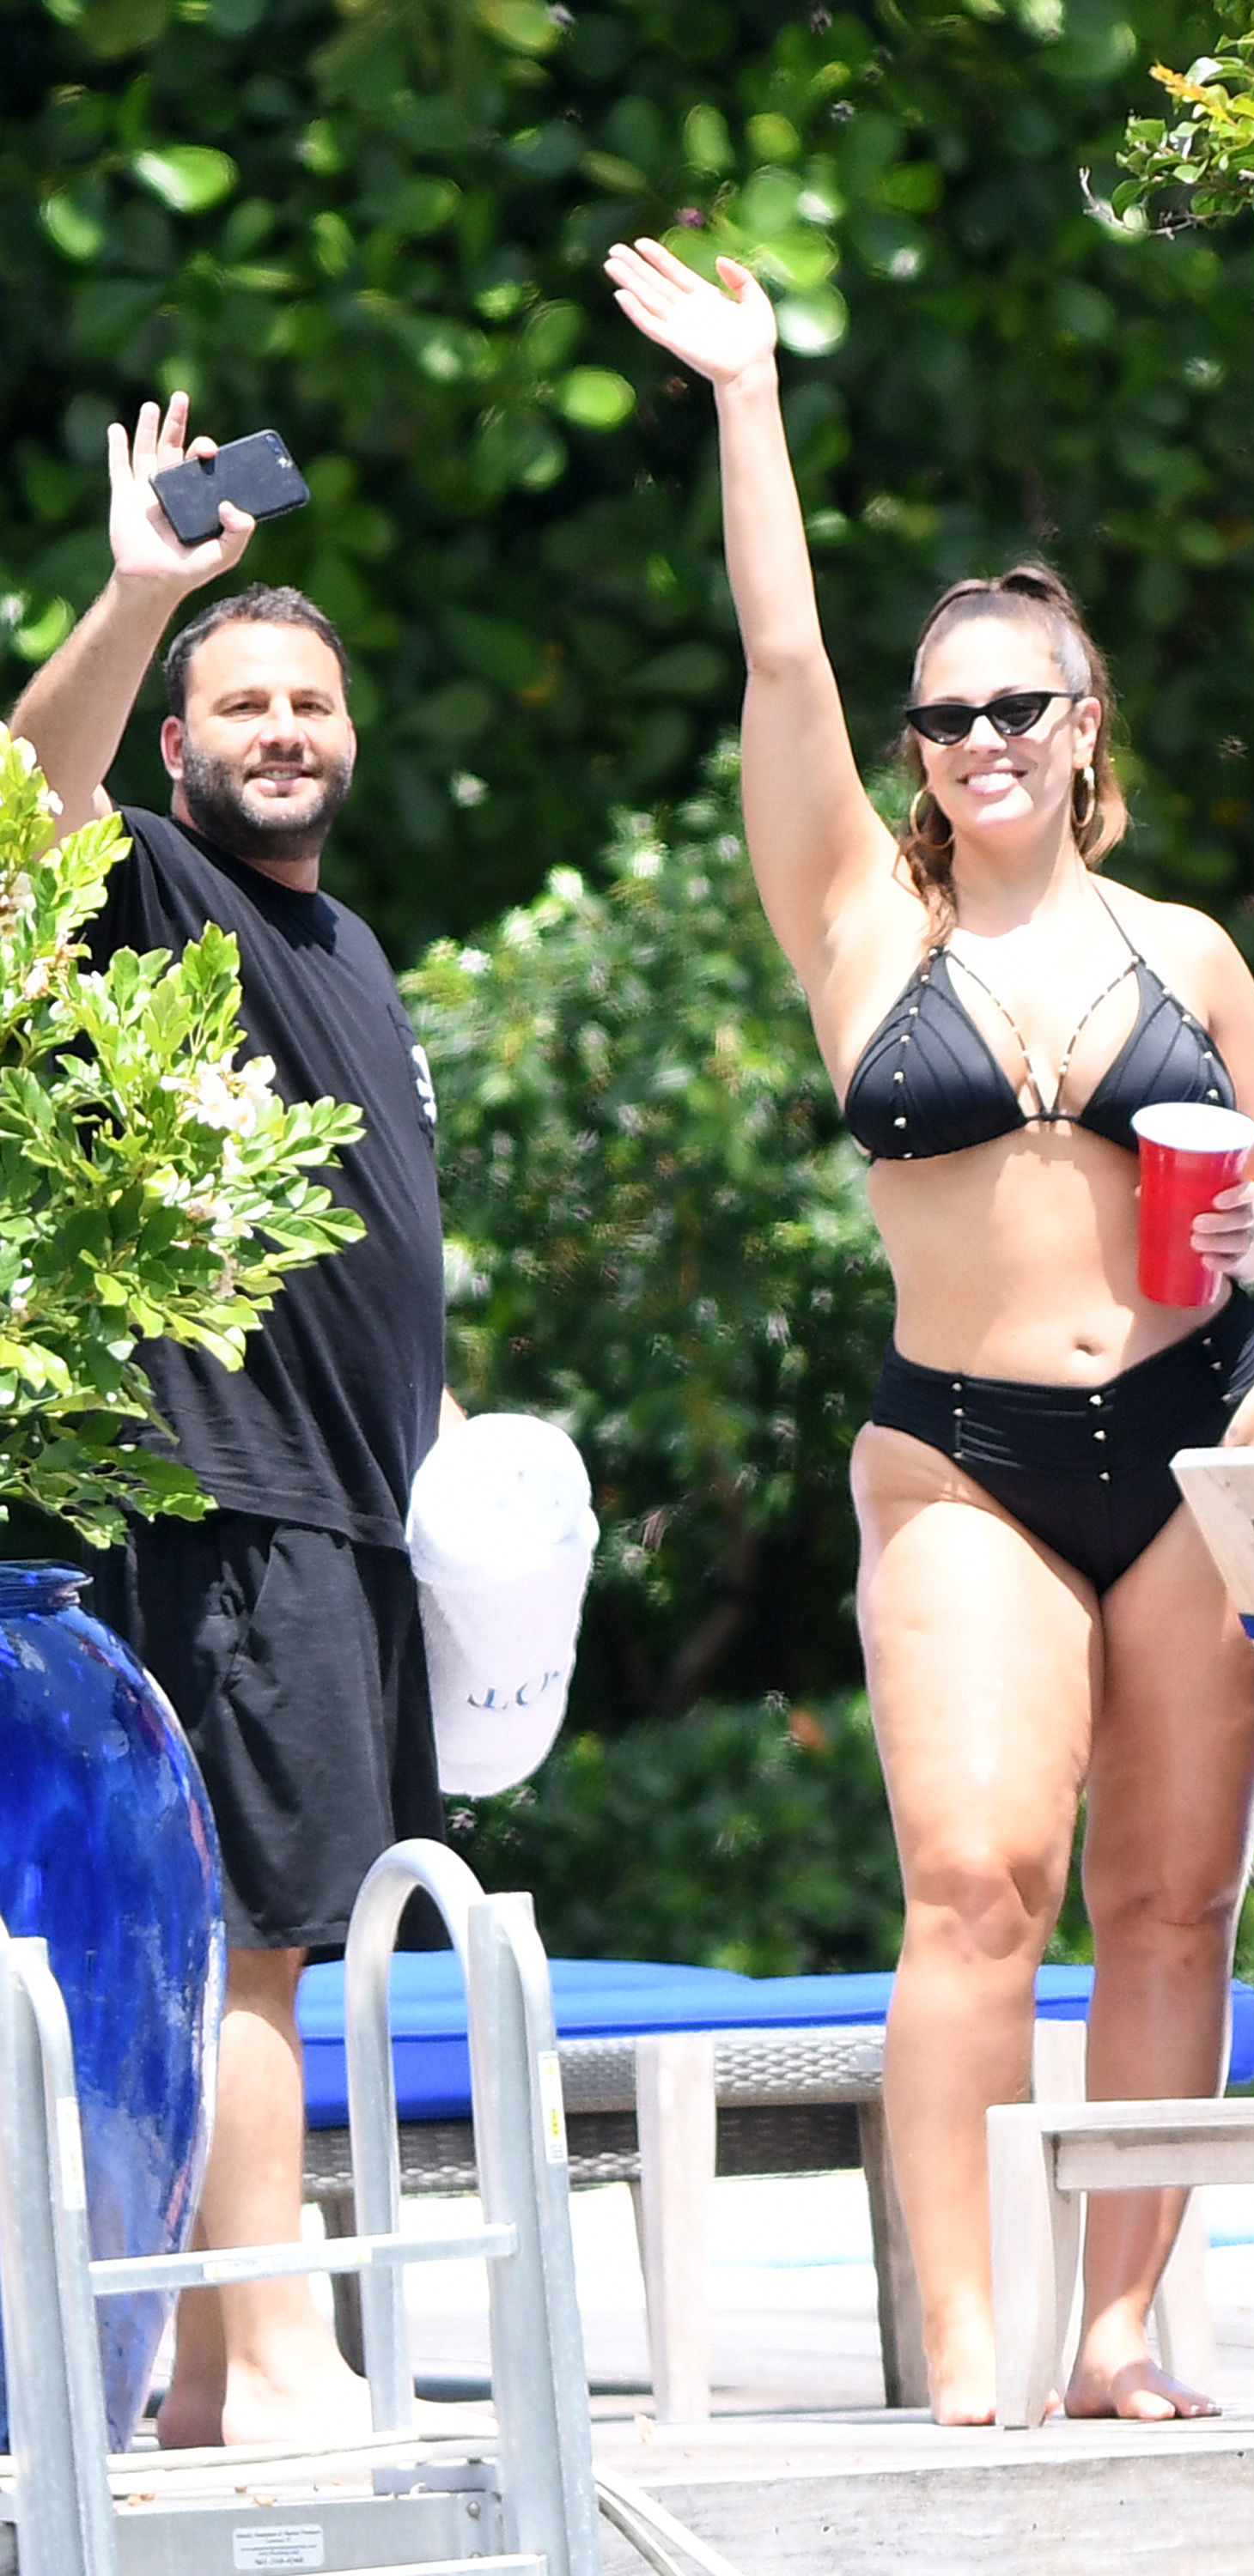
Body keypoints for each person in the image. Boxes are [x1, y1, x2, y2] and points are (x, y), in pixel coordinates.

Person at [605, 239, 1254, 2424]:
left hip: (1203, 1428)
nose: (981, 740)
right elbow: (779, 656)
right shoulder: (858, 922)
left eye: (1019, 706)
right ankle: (969, 2342)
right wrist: (746, 397)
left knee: (1171, 1901)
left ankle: (1114, 2333)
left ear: (1083, 725)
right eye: (949, 717)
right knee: (973, 1883)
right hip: (962, 1457)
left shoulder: (1187, 949)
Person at [9, 394, 454, 2448]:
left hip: (344, 1517)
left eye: (308, 701)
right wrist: (136, 598)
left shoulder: (344, 941)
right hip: (221, 1497)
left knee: (281, 1934)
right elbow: (25, 801)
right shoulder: (156, 890)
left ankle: (206, 2381)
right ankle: (273, 2357)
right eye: (241, 704)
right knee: (254, 1944)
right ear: (180, 749)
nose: (281, 729)